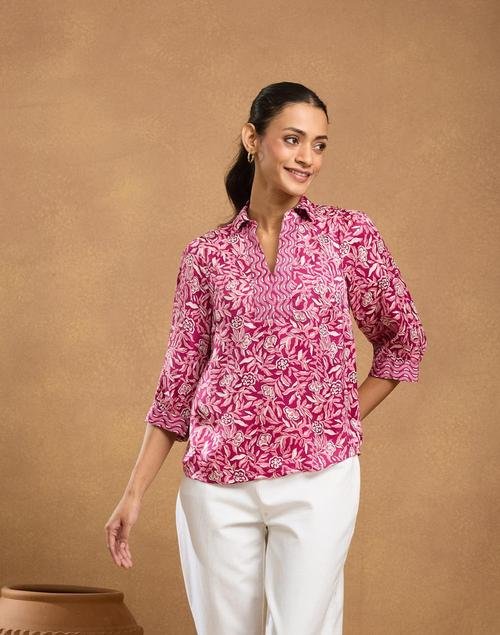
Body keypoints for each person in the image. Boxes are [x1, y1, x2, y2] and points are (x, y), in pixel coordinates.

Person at [105, 81, 427, 634]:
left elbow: (403, 339)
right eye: (293, 139)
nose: (307, 158)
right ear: (252, 139)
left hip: (318, 477)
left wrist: (339, 416)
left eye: (319, 145)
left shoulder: (348, 236)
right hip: (216, 483)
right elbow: (178, 384)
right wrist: (132, 496)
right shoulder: (206, 255)